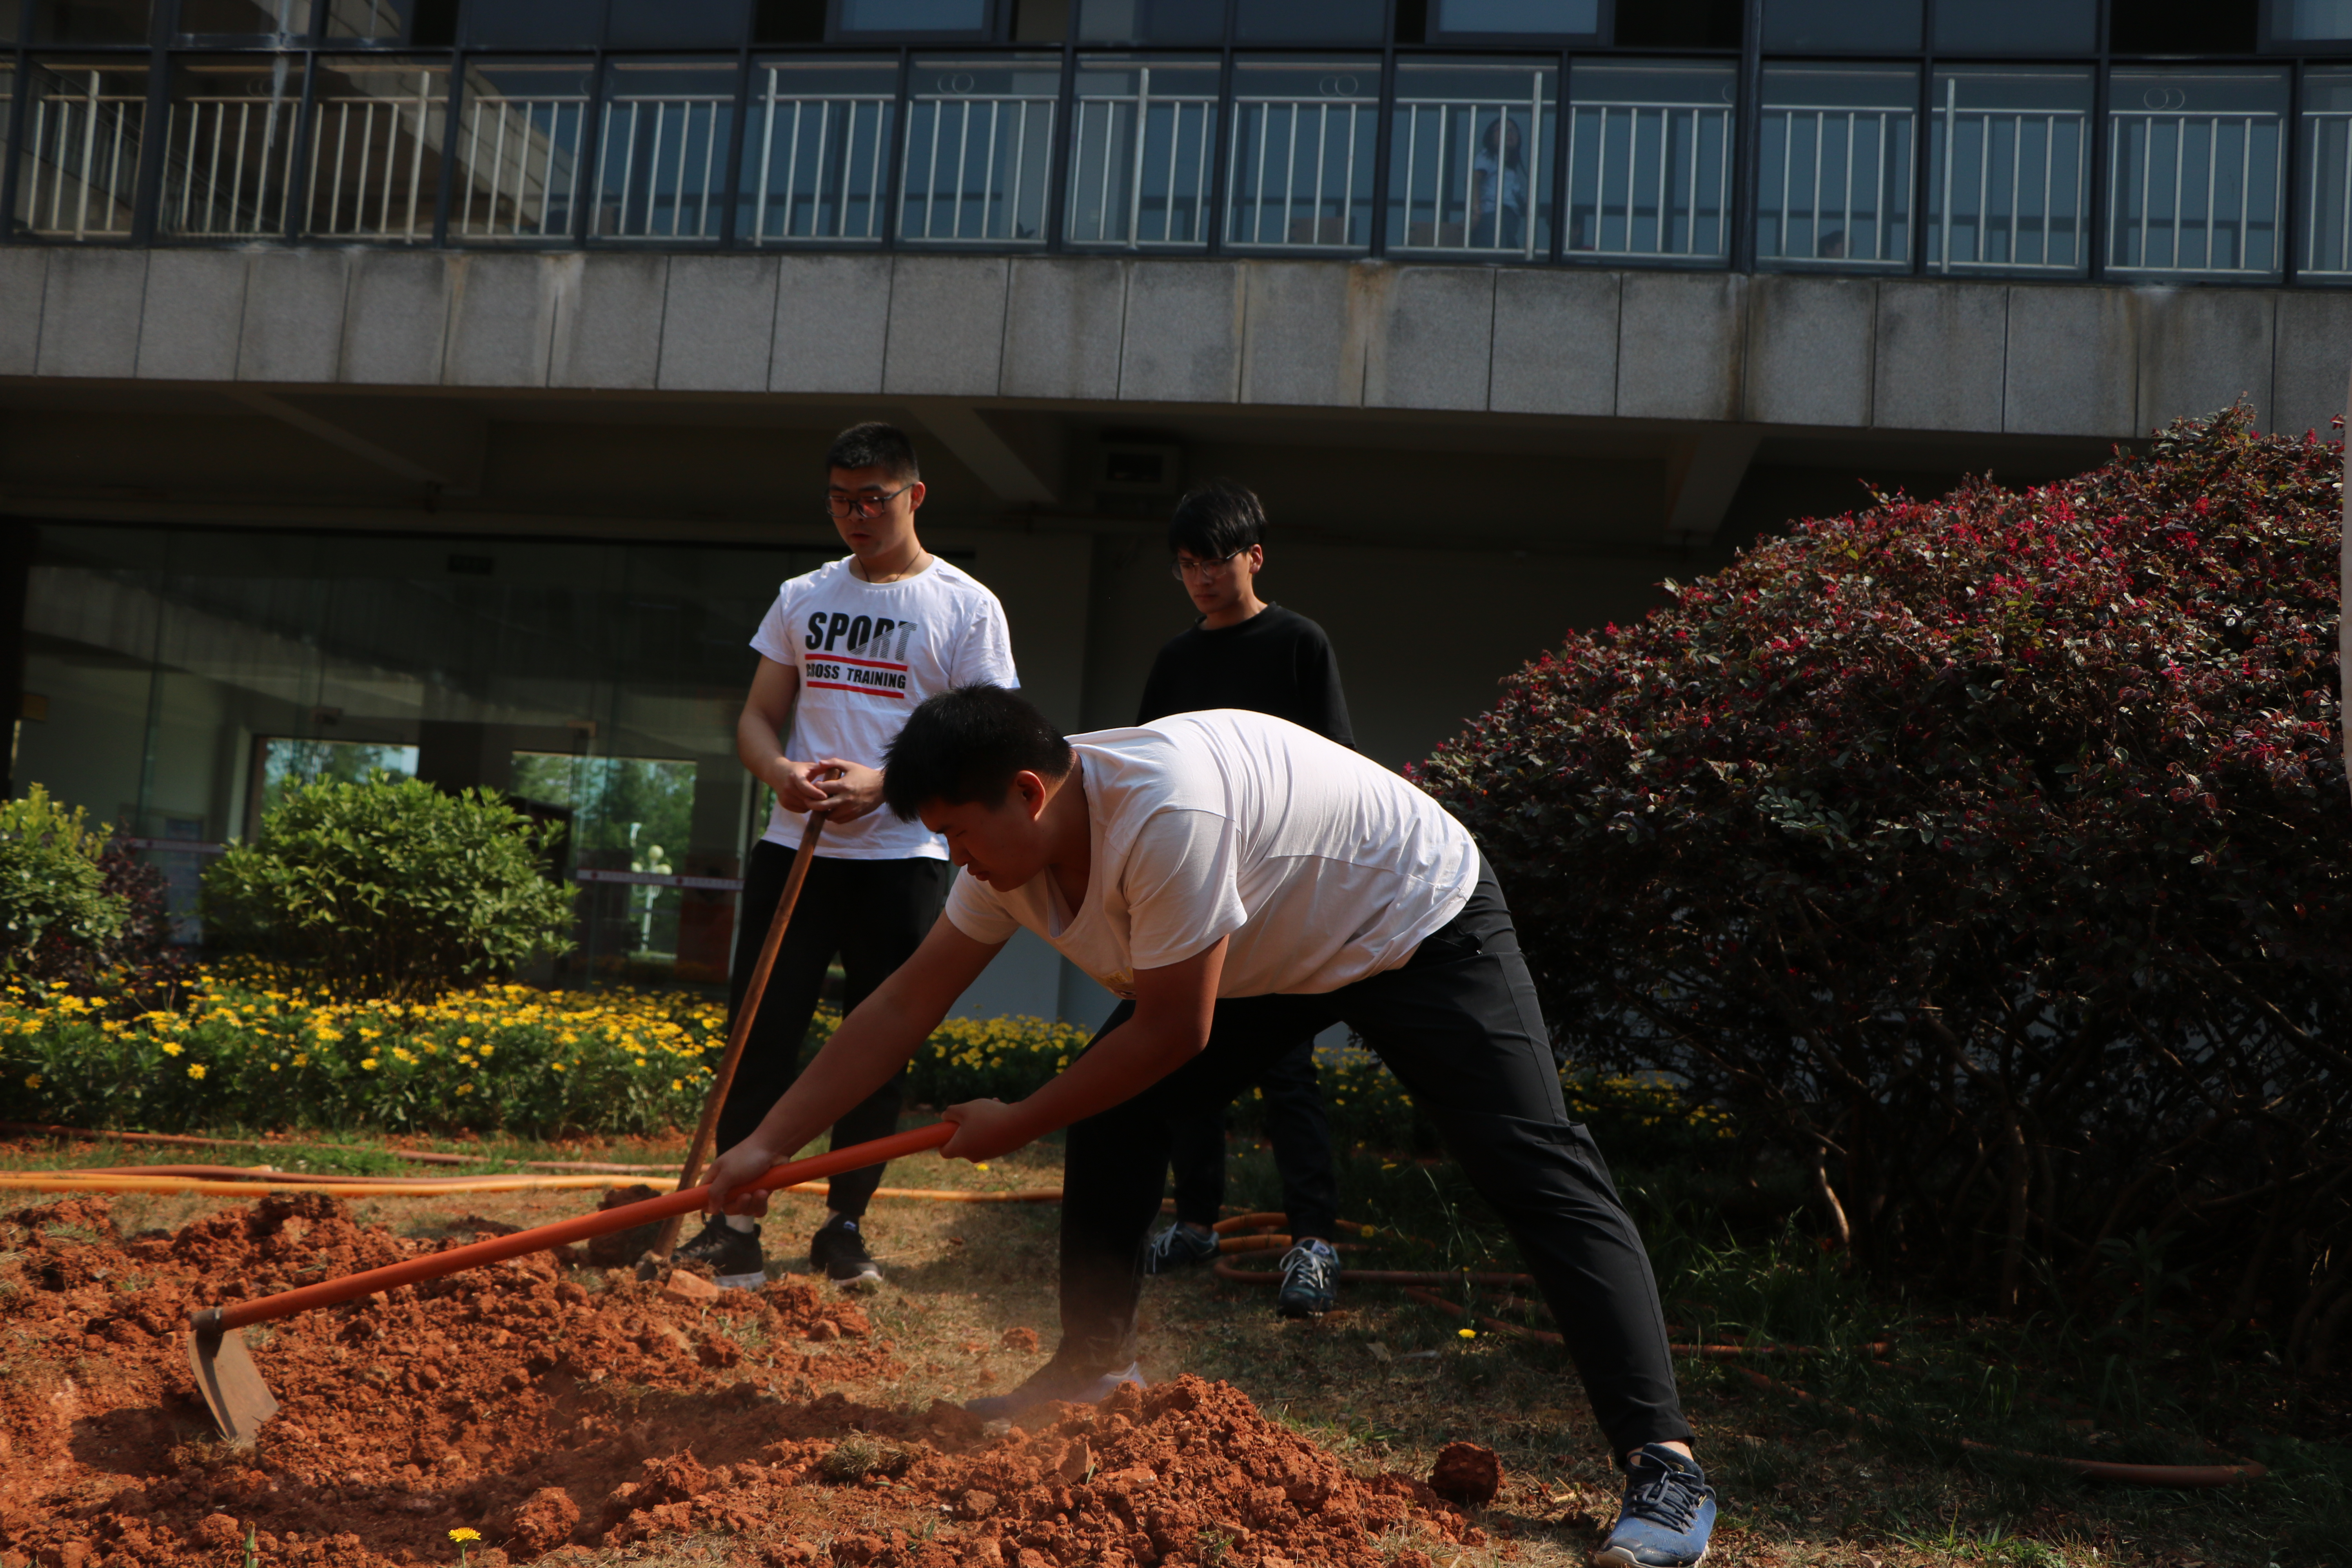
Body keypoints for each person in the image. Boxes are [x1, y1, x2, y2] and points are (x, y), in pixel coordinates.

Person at [701, 686, 1719, 1568]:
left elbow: (1177, 1030)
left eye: (958, 831)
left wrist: (1019, 1119)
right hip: (1268, 933)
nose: (951, 857)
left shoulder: (1162, 812)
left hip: (1407, 912)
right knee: (1112, 1103)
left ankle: (1664, 1466)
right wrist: (766, 1147)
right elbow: (895, 1008)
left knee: (1528, 1162)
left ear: (1029, 793)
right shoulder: (1003, 865)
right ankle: (1095, 1368)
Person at [672, 423, 1019, 1290]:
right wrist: (782, 771)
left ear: (915, 496)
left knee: (877, 1039)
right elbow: (756, 717)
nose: (855, 516)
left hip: (902, 853)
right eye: (839, 499)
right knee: (762, 1028)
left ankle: (845, 1222)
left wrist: (889, 782)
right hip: (795, 849)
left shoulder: (966, 606)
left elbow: (992, 738)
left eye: (874, 499)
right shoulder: (802, 594)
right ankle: (734, 1223)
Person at [1132, 481, 1350, 1317]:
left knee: (1286, 1069)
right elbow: (1150, 771)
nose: (1200, 580)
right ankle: (1194, 1222)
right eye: (1186, 566)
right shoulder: (1175, 661)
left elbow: (1339, 768)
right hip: (1194, 883)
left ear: (1255, 555)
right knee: (1183, 1058)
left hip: (1281, 886)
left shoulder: (1300, 643)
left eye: (1214, 562)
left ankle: (1313, 1240)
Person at [1470, 113, 1528, 252]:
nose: (1509, 133)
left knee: (1507, 253)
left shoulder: (1512, 170)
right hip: (1493, 214)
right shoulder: (1488, 156)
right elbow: (1474, 180)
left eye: (1513, 130)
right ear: (1491, 137)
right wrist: (1477, 212)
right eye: (1502, 129)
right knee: (1494, 253)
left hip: (1509, 219)